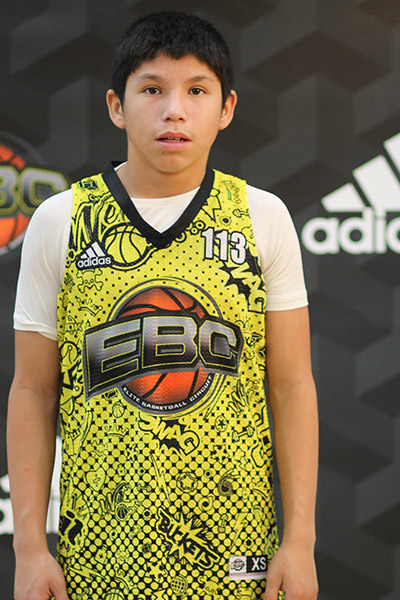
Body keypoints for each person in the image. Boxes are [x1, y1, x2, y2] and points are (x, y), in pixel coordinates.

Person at [7, 11, 318, 600]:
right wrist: (29, 549)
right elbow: (33, 392)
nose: (174, 110)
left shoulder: (262, 217)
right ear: (116, 106)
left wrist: (299, 541)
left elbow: (292, 385)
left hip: (238, 556)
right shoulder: (61, 220)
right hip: (100, 557)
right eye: (152, 89)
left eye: (196, 91)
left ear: (226, 108)